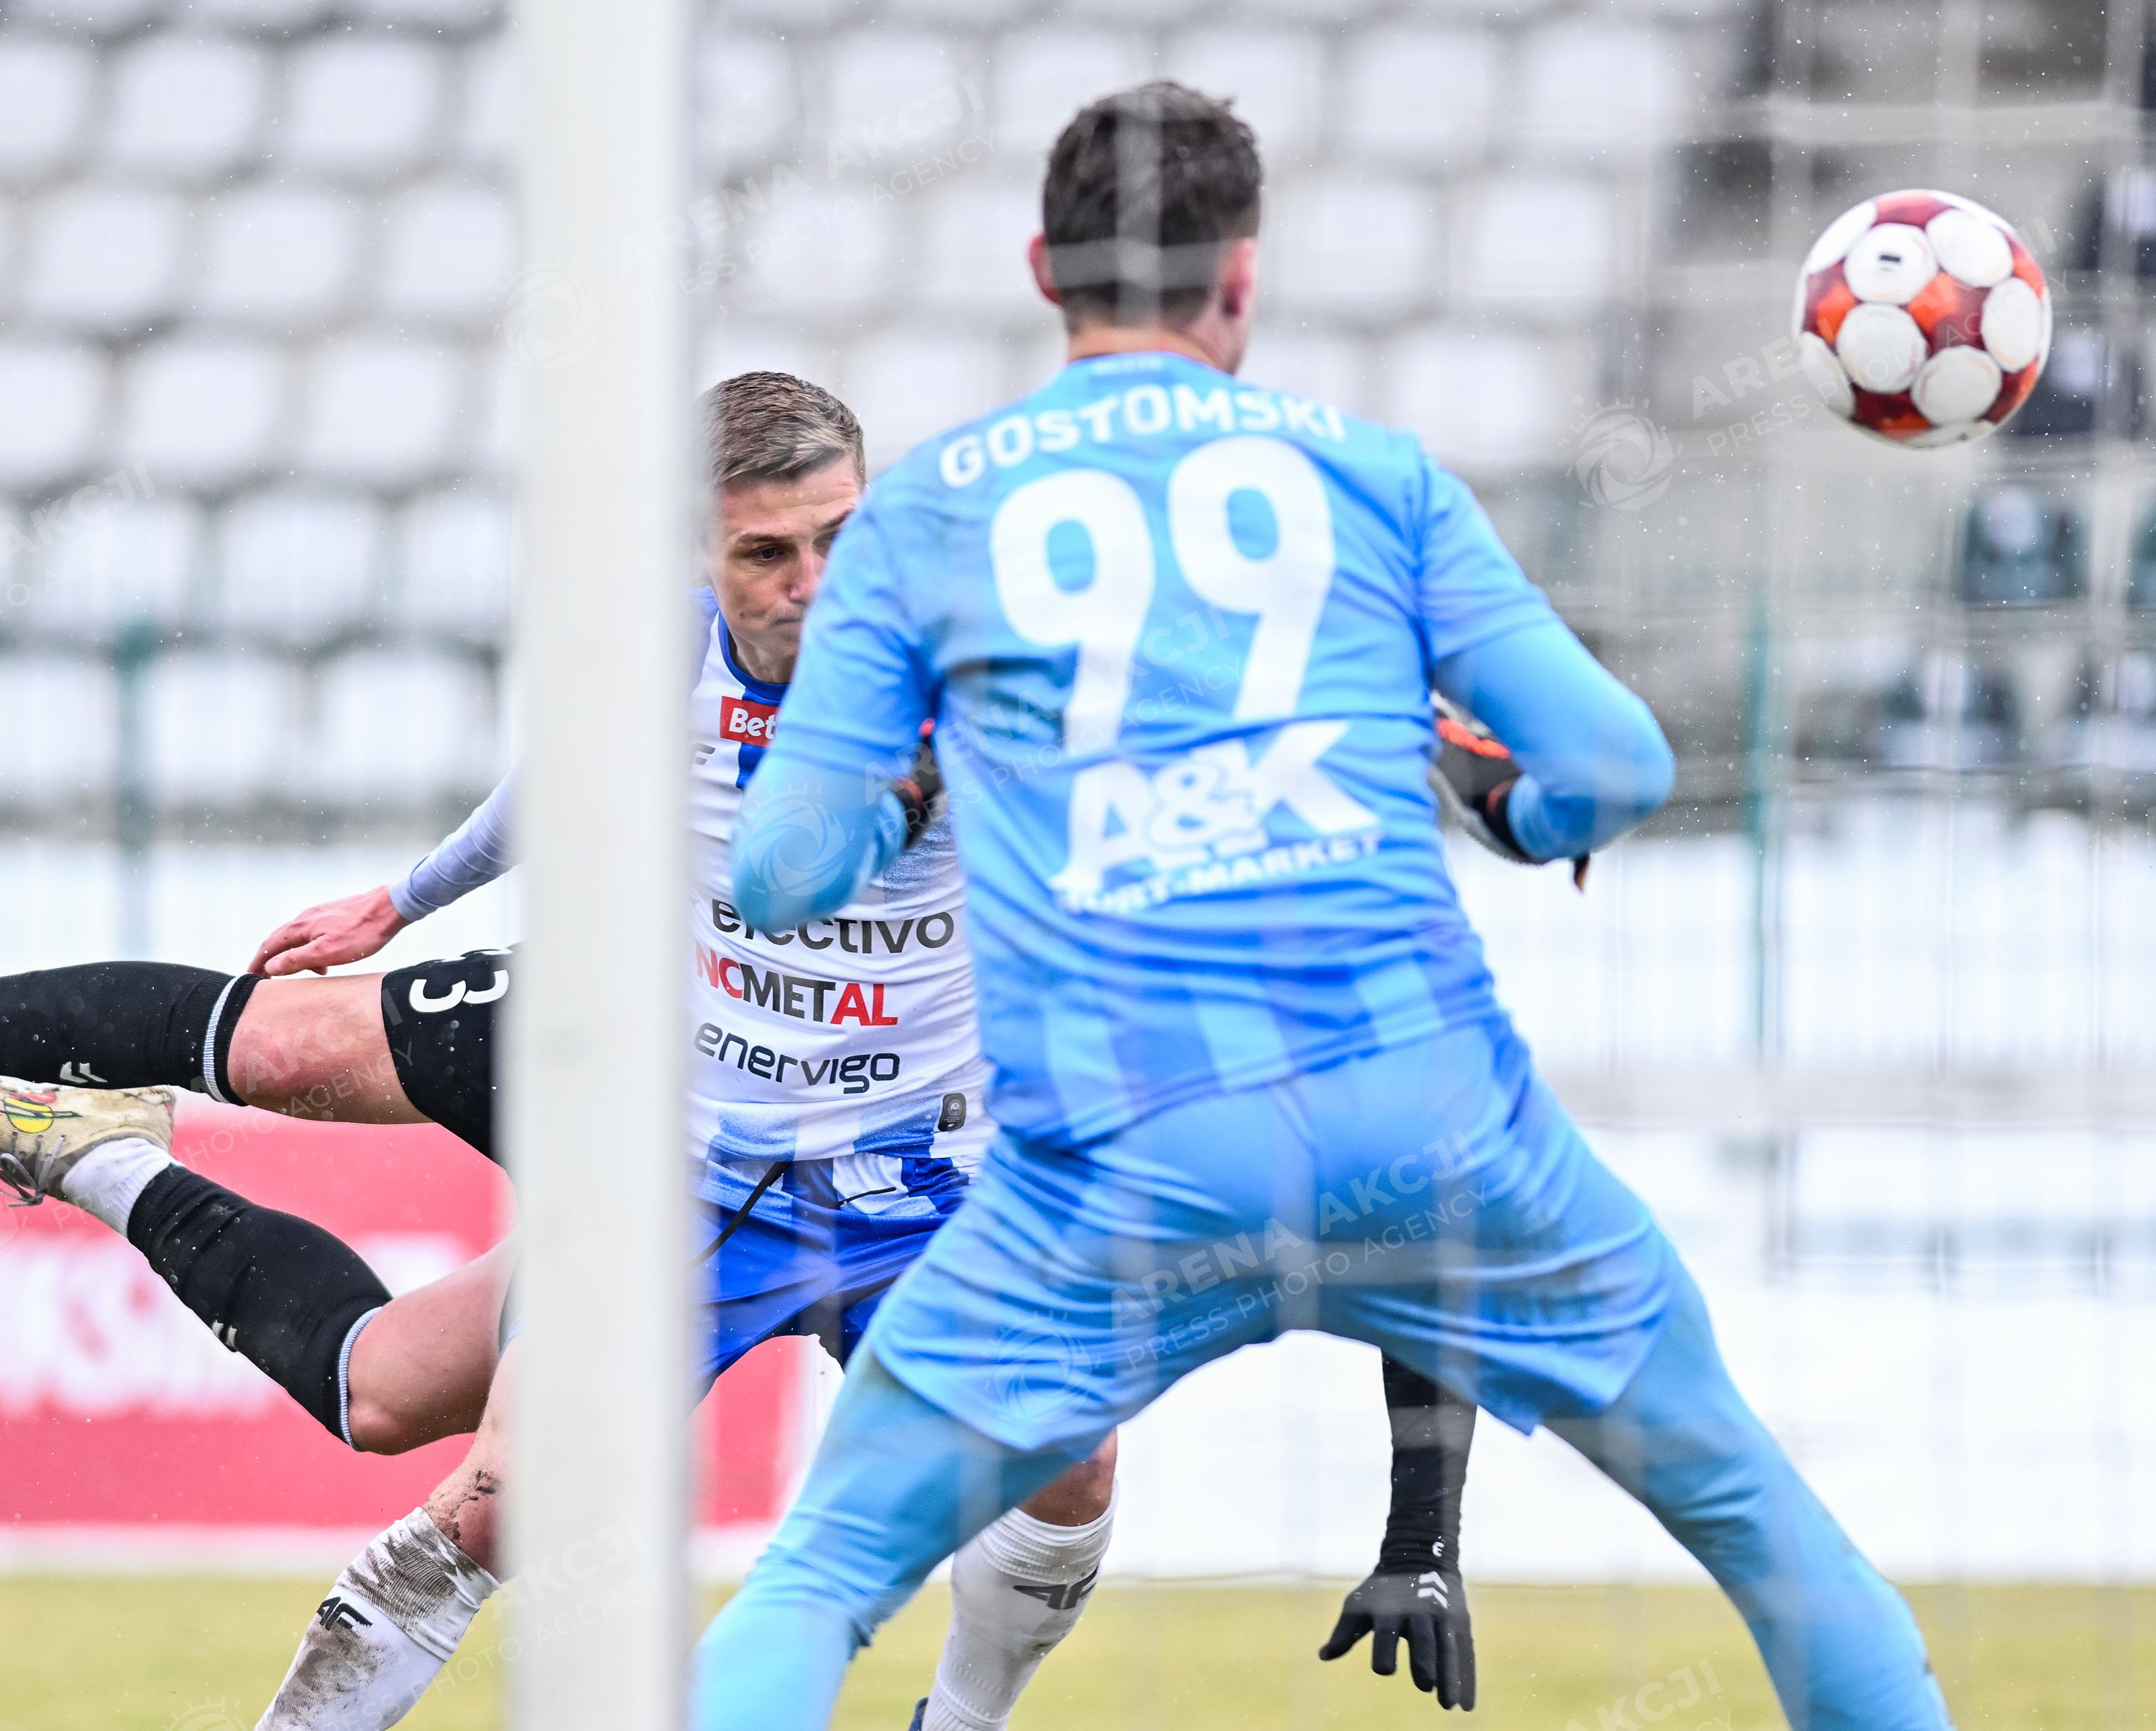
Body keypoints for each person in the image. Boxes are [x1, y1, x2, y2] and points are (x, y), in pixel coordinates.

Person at [0, 373, 1473, 1723]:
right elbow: (563, 779)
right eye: (766, 553)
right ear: (701, 561)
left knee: (1023, 1457)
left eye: (838, 538)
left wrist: (1453, 746)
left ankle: (89, 1157)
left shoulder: (1007, 667)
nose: (811, 581)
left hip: (922, 1176)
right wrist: (408, 896)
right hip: (669, 1119)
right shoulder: (659, 658)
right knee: (330, 1137)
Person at [697, 84, 1950, 1731]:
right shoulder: (1375, 477)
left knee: (816, 1578)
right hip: (1430, 1131)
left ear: (1042, 271)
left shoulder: (926, 516)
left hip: (1117, 1161)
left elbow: (780, 876)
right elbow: (1616, 763)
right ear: (1242, 275)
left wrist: (919, 795)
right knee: (1760, 1525)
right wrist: (1515, 813)